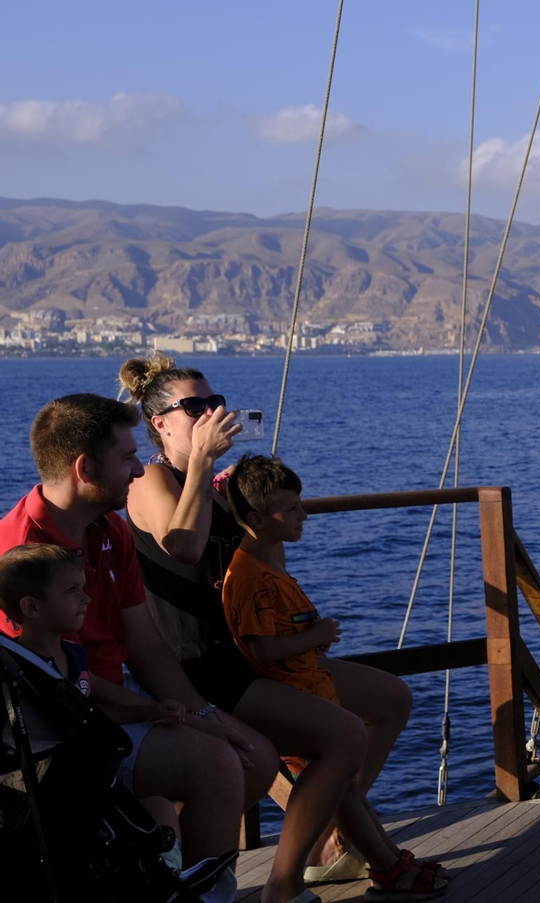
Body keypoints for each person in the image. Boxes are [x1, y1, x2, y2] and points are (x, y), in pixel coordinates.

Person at [118, 353, 406, 885]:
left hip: (254, 650)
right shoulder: (150, 482)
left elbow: (263, 565)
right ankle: (292, 876)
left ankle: (326, 830)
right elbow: (182, 546)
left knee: (390, 700)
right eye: (195, 406)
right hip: (202, 666)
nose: (211, 412)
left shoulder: (223, 489)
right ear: (160, 424)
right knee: (339, 736)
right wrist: (202, 469)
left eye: (216, 402)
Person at [0, 394, 277, 898]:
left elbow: (147, 648)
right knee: (215, 766)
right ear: (85, 468)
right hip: (69, 733)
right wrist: (151, 711)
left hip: (118, 713)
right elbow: (47, 684)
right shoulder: (19, 555)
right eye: (128, 458)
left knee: (254, 756)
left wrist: (205, 715)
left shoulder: (113, 534)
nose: (137, 471)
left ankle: (170, 879)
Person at [222, 454, 448, 903]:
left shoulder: (265, 562)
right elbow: (262, 649)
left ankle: (385, 863)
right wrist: (316, 636)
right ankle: (384, 867)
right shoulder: (251, 577)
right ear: (256, 519)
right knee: (339, 772)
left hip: (308, 682)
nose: (304, 515)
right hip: (293, 690)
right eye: (292, 510)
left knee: (345, 776)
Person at [0, 542, 189, 871]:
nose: (86, 599)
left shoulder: (73, 657)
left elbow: (87, 715)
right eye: (73, 590)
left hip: (86, 784)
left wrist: (148, 712)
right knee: (158, 808)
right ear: (31, 607)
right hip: (63, 796)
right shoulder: (19, 673)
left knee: (159, 804)